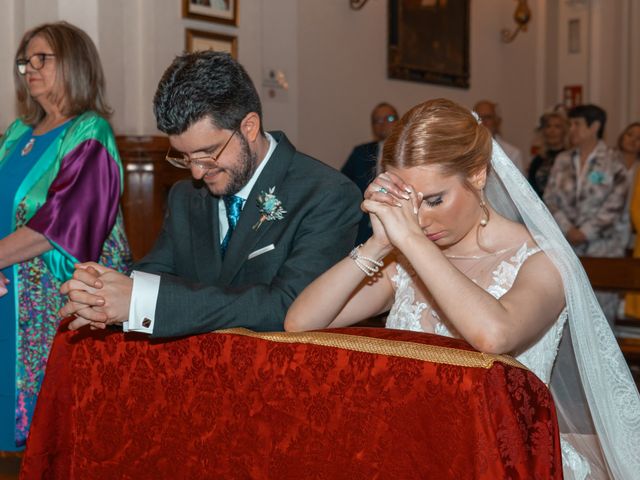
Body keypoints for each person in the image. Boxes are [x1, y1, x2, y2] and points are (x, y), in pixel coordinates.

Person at [285, 98, 640, 479]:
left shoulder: (543, 261)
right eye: (408, 203)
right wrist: (379, 245)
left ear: (477, 175)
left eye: (435, 199)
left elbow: (493, 333)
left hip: (508, 462)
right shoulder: (401, 263)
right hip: (413, 453)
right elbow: (301, 322)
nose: (421, 219)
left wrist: (413, 243)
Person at [58, 51, 361, 337]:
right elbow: (158, 274)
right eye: (184, 157)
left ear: (249, 127)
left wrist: (144, 302)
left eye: (208, 153)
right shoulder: (185, 197)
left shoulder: (326, 194)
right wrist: (102, 293)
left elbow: (287, 307)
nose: (197, 173)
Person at [0, 21, 131, 451]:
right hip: (6, 289)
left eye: (41, 58)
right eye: (24, 61)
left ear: (74, 64)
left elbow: (60, 223)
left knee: (53, 439)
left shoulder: (89, 132)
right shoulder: (17, 133)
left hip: (51, 303)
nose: (29, 68)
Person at [544, 104, 628, 323]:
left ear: (594, 127)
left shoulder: (614, 160)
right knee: (567, 315)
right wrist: (568, 228)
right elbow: (550, 199)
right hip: (568, 248)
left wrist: (586, 231)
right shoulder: (563, 160)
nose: (570, 129)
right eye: (571, 124)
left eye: (576, 124)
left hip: (604, 250)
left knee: (600, 319)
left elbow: (616, 201)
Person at [342, 102, 398, 244]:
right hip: (364, 223)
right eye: (377, 121)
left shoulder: (410, 153)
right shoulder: (361, 152)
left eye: (389, 119)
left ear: (399, 121)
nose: (383, 124)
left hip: (398, 220)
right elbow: (343, 185)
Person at [619, 122, 640, 318]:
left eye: (638, 138)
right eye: (630, 134)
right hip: (609, 228)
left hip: (632, 231)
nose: (633, 140)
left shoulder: (638, 168)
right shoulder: (609, 162)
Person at [473, 99, 524, 172]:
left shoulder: (512, 153)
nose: (483, 122)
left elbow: (520, 183)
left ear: (497, 121)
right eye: (478, 118)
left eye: (488, 117)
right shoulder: (464, 151)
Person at [528, 109, 569, 197]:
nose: (552, 130)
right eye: (548, 126)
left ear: (565, 131)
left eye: (557, 126)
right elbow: (530, 187)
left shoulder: (571, 158)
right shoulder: (538, 160)